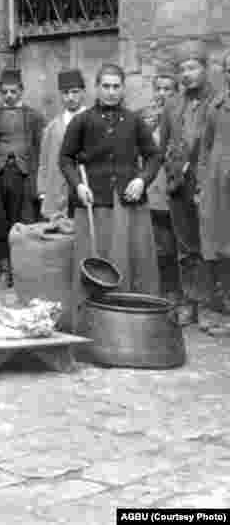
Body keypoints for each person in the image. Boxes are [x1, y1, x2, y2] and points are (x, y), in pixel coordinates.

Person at [60, 64, 161, 309]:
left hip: (129, 204)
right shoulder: (82, 121)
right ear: (96, 88)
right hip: (95, 203)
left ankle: (135, 314)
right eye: (106, 86)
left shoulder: (134, 121)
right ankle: (91, 317)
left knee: (134, 258)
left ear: (123, 89)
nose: (111, 91)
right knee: (96, 259)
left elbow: (154, 157)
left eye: (116, 86)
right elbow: (65, 159)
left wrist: (141, 180)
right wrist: (78, 186)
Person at [160, 40, 217, 325]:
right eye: (182, 69)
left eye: (193, 67)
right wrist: (171, 171)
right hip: (178, 185)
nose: (187, 74)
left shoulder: (218, 101)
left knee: (210, 246)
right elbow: (164, 145)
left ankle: (209, 305)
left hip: (208, 185)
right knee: (185, 248)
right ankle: (189, 302)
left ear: (205, 69)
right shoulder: (172, 106)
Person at [0, 69, 46, 286]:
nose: (9, 95)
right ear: (0, 93)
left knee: (25, 221)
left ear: (21, 91)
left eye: (14, 91)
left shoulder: (34, 117)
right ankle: (4, 264)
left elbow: (42, 150)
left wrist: (42, 182)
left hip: (26, 178)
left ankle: (22, 268)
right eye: (5, 92)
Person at [140, 70, 180, 299]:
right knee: (157, 248)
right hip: (151, 193)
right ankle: (160, 291)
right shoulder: (146, 118)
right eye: (159, 88)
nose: (162, 94)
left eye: (168, 89)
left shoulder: (179, 116)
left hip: (172, 191)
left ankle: (175, 293)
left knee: (173, 248)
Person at [197, 50, 230, 315]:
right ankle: (222, 303)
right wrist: (202, 184)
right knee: (221, 245)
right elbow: (205, 150)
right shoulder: (215, 107)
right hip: (219, 189)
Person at [37, 69, 87, 219]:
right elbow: (44, 161)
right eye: (65, 93)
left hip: (85, 188)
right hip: (59, 191)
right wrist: (43, 191)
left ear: (83, 92)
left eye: (75, 92)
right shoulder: (53, 127)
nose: (70, 97)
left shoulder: (93, 121)